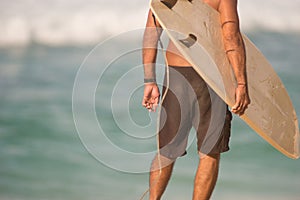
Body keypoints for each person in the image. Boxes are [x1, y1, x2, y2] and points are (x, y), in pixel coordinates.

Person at [142, 0, 250, 199]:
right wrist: (241, 83)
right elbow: (231, 37)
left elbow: (151, 33)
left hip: (176, 74)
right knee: (209, 153)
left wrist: (150, 81)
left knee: (166, 152)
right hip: (211, 78)